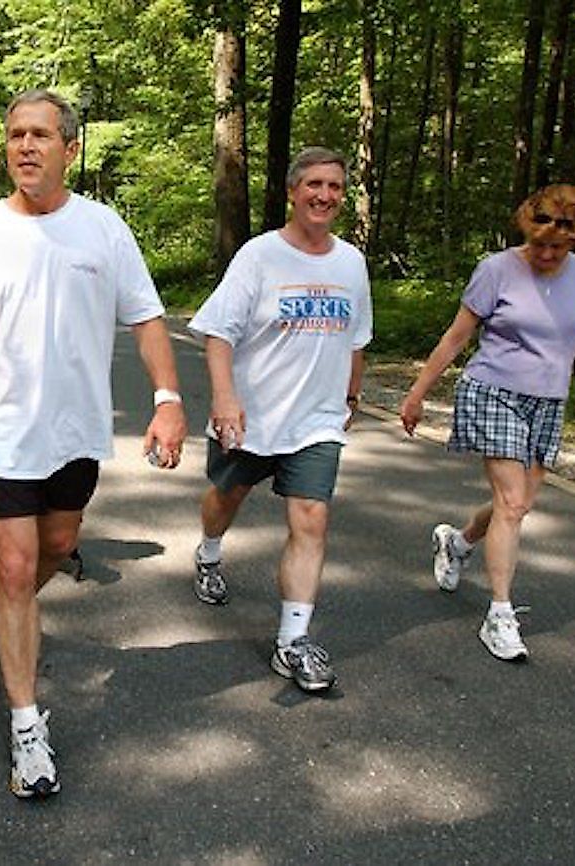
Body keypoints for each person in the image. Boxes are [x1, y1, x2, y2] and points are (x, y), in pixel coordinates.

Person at [0, 89, 188, 798]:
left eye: (40, 135)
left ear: (71, 148)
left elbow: (148, 319)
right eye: (15, 135)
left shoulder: (104, 229)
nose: (25, 146)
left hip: (77, 432)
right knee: (18, 564)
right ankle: (27, 723)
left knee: (55, 549)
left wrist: (169, 400)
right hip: (2, 432)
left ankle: (13, 611)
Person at [399, 184, 575, 662]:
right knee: (512, 501)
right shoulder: (496, 270)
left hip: (548, 401)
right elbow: (456, 338)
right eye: (539, 243)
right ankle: (500, 615)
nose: (547, 254)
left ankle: (458, 542)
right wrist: (416, 394)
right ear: (527, 229)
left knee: (519, 504)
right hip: (493, 391)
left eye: (559, 246)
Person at [187, 146, 372, 694]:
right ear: (293, 192)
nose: (324, 196)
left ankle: (292, 642)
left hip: (316, 421)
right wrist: (225, 399)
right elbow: (219, 331)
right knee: (226, 498)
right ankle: (209, 552)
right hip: (252, 416)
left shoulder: (351, 263)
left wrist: (352, 397)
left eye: (335, 186)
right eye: (313, 184)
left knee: (312, 519)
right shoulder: (259, 256)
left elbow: (357, 337)